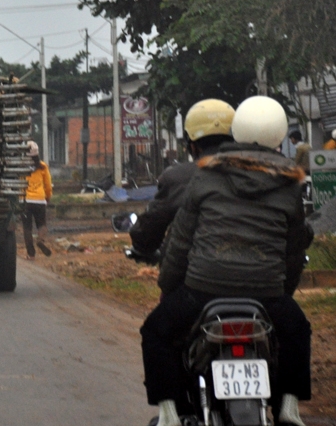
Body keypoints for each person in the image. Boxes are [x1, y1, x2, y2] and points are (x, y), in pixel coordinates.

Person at [140, 96, 313, 426]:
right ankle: (289, 409)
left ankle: (168, 415)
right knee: (297, 329)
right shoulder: (291, 185)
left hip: (203, 287)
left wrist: (169, 284)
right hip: (267, 291)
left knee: (156, 331)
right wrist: (282, 293)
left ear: (237, 132)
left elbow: (180, 242)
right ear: (280, 136)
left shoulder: (206, 176)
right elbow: (293, 252)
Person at [130, 99, 235, 257]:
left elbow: (148, 232)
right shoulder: (262, 176)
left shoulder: (177, 178)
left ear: (192, 145)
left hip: (194, 275)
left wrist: (142, 246)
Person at [22, 140, 53, 259]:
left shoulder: (20, 167)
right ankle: (40, 240)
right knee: (42, 224)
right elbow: (48, 185)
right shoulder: (43, 166)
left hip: (25, 201)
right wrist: (48, 197)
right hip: (40, 200)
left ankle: (31, 254)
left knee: (27, 228)